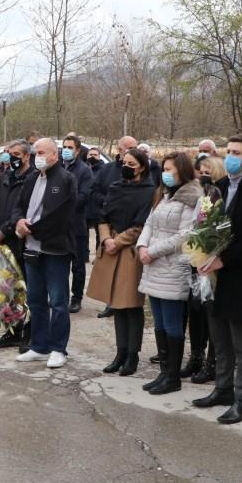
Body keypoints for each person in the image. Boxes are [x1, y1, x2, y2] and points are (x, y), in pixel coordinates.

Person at [192, 134, 242, 425]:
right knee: (219, 338)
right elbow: (203, 226)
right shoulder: (218, 188)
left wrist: (224, 258)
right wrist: (200, 252)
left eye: (237, 152)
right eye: (229, 152)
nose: (231, 157)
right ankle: (223, 389)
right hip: (214, 276)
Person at [136, 152, 204, 395]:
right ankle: (164, 372)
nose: (165, 173)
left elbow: (185, 235)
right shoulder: (164, 196)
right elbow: (149, 224)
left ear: (182, 171)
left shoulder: (192, 197)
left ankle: (173, 376)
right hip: (153, 265)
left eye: (170, 169)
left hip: (173, 266)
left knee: (173, 323)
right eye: (164, 168)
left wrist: (152, 251)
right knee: (159, 323)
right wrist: (142, 246)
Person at [86, 148, 155, 375]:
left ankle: (132, 355)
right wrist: (106, 239)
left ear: (142, 167)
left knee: (131, 305)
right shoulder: (115, 187)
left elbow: (142, 225)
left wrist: (119, 241)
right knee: (116, 304)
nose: (126, 166)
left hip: (130, 251)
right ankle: (120, 352)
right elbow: (103, 216)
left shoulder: (150, 191)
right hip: (111, 246)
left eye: (132, 163)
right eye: (124, 162)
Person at [13, 139, 77, 369]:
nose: (36, 156)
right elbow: (18, 205)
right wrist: (18, 221)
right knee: (36, 301)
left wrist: (31, 229)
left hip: (55, 250)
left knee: (58, 302)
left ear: (53, 155)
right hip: (31, 249)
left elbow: (62, 215)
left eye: (41, 152)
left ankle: (58, 349)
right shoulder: (31, 177)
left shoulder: (66, 179)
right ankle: (39, 346)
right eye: (34, 152)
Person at [182, 156, 226, 384]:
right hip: (196, 258)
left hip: (212, 262)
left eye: (209, 170)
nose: (203, 174)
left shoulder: (219, 195)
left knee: (210, 312)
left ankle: (212, 362)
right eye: (201, 170)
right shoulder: (202, 195)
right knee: (195, 310)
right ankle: (195, 357)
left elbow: (218, 227)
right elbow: (195, 223)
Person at [0, 140, 32, 348]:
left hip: (19, 241)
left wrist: (3, 232)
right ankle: (11, 330)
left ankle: (28, 333)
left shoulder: (31, 178)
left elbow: (22, 211)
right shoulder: (6, 176)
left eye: (15, 154)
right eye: (8, 153)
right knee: (6, 289)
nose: (11, 157)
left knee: (24, 290)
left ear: (26, 156)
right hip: (1, 241)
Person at [90, 135, 140, 318]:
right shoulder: (107, 170)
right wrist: (109, 202)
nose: (130, 151)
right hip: (109, 223)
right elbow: (93, 191)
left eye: (134, 147)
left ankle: (125, 303)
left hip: (131, 230)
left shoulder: (143, 172)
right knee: (111, 268)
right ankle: (110, 303)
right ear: (119, 150)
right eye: (127, 148)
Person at [61, 135, 93, 314]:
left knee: (78, 265)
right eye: (64, 146)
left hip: (76, 224)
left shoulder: (84, 170)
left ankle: (77, 297)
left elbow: (83, 196)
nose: (66, 150)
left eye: (70, 147)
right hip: (59, 227)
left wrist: (61, 205)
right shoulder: (57, 166)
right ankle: (62, 296)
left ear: (78, 150)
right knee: (60, 264)